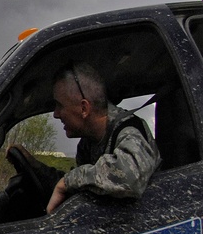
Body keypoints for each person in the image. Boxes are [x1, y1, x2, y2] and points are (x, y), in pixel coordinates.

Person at [44, 60, 161, 213]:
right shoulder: (87, 144)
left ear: (84, 108)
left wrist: (67, 181)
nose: (56, 114)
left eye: (60, 105)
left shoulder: (128, 131)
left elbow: (129, 177)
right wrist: (36, 167)